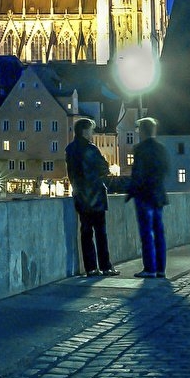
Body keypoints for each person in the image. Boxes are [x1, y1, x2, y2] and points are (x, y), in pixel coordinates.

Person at [64, 118, 116, 277]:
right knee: (101, 233)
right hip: (96, 196)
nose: (92, 133)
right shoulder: (91, 149)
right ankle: (106, 267)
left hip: (80, 196)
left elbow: (71, 174)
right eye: (91, 130)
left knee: (86, 233)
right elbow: (104, 168)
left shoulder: (70, 149)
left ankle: (91, 268)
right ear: (84, 131)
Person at [126, 116, 168, 279]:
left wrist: (131, 191)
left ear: (142, 131)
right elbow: (165, 170)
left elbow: (138, 173)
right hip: (158, 195)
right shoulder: (161, 148)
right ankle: (160, 269)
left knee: (146, 233)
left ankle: (149, 268)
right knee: (159, 232)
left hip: (144, 196)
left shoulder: (140, 149)